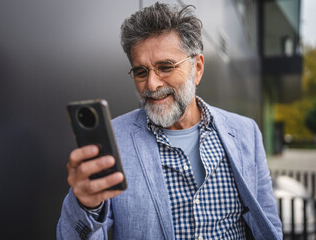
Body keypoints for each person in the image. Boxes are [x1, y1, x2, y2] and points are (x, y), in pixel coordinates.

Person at [57, 3, 282, 240]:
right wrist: (86, 206)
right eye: (141, 72)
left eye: (165, 67)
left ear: (197, 68)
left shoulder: (246, 132)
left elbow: (268, 226)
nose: (152, 84)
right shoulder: (114, 141)